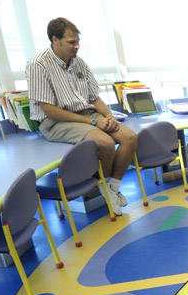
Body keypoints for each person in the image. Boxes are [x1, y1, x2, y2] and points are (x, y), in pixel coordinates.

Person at [26, 18, 136, 216]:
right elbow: (49, 109)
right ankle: (107, 187)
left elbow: (94, 98)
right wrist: (94, 121)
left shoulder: (79, 62)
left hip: (87, 114)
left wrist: (109, 116)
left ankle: (112, 188)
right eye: (71, 42)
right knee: (106, 143)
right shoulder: (38, 65)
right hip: (57, 121)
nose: (76, 46)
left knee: (130, 137)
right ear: (55, 40)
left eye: (77, 41)